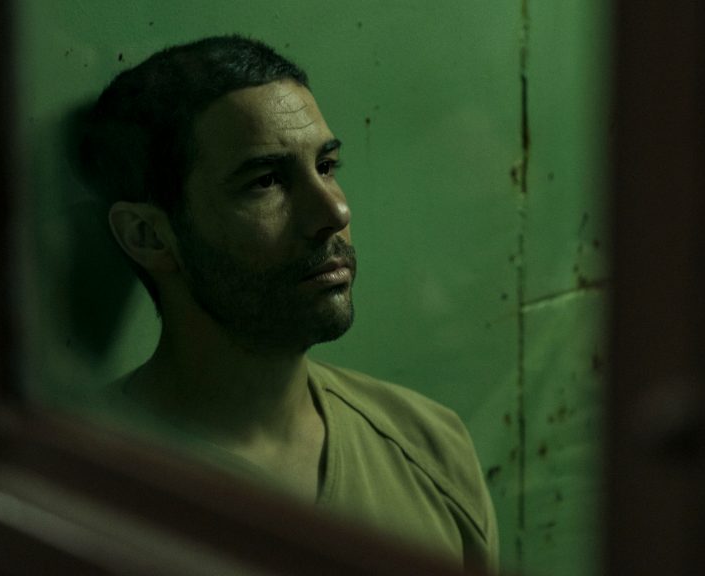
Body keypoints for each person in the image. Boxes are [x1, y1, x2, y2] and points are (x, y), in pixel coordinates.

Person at [77, 35, 498, 571]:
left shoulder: (431, 447)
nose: (334, 210)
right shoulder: (80, 481)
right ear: (148, 236)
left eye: (326, 165)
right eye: (266, 181)